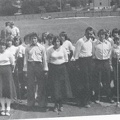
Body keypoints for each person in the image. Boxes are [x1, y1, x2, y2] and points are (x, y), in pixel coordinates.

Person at [47, 36, 72, 112]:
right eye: (55, 41)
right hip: (53, 69)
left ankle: (61, 104)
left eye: (58, 41)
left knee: (61, 86)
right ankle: (55, 104)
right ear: (53, 42)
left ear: (60, 42)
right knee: (55, 87)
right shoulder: (49, 50)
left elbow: (66, 59)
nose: (56, 43)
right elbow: (48, 60)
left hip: (62, 69)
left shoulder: (63, 49)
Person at [23, 32, 48, 110]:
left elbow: (44, 59)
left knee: (41, 85)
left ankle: (41, 102)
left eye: (35, 38)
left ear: (37, 39)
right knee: (30, 85)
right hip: (30, 66)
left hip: (39, 66)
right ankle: (30, 102)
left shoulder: (42, 47)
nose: (34, 40)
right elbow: (25, 60)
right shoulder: (27, 48)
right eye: (32, 38)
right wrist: (25, 70)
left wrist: (45, 69)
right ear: (30, 40)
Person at [74, 27, 94, 108]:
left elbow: (90, 52)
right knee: (83, 82)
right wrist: (77, 65)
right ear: (85, 33)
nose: (90, 35)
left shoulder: (91, 40)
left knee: (89, 81)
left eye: (91, 34)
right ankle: (82, 101)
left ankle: (88, 100)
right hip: (82, 62)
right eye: (89, 34)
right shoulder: (80, 41)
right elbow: (76, 54)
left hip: (89, 61)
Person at [92, 29, 114, 103]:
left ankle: (109, 97)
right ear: (98, 35)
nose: (102, 36)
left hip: (106, 62)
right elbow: (93, 53)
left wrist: (110, 65)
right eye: (101, 34)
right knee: (97, 80)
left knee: (107, 80)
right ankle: (97, 97)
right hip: (98, 63)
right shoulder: (95, 43)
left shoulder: (108, 43)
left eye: (103, 34)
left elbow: (110, 54)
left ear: (105, 35)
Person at [0, 41, 16, 116]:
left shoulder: (9, 53)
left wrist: (11, 71)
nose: (2, 46)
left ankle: (8, 108)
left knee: (8, 89)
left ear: (5, 46)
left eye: (3, 45)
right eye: (0, 45)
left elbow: (13, 64)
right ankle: (2, 108)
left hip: (7, 72)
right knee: (1, 90)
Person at [16, 34, 30, 99]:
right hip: (22, 65)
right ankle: (23, 93)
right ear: (24, 40)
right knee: (23, 80)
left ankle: (29, 93)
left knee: (29, 80)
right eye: (27, 39)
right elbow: (19, 58)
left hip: (30, 64)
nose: (28, 40)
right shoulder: (21, 47)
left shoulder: (30, 46)